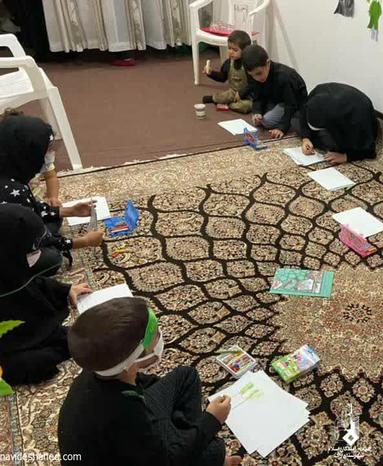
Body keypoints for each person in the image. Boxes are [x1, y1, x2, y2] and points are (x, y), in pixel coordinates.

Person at [58, 297, 241, 466]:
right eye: (154, 334)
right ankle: (195, 448)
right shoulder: (124, 413)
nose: (160, 335)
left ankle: (187, 441)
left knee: (186, 376)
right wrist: (212, 420)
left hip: (134, 432)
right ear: (133, 360)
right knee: (215, 451)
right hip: (133, 452)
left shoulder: (101, 367)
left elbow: (145, 383)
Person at [0, 114, 103, 275]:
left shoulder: (9, 173)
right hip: (7, 253)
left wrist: (70, 211)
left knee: (55, 215)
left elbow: (31, 210)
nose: (51, 154)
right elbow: (35, 241)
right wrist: (83, 242)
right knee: (52, 259)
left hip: (13, 228)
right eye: (45, 150)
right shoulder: (14, 192)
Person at [0, 204, 92, 385]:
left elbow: (29, 283)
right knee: (31, 363)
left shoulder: (8, 265)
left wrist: (66, 289)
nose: (37, 253)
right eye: (31, 250)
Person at [299, 83, 379, 165]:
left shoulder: (358, 115)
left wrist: (345, 157)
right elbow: (303, 114)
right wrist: (306, 138)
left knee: (332, 145)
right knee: (296, 123)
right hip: (335, 116)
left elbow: (369, 150)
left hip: (356, 118)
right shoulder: (316, 94)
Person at [239, 45, 307, 140]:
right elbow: (258, 96)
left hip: (294, 103)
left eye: (259, 73)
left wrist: (282, 128)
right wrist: (257, 112)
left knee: (267, 121)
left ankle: (294, 119)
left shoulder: (284, 76)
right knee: (260, 118)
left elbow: (291, 104)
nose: (257, 78)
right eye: (252, 75)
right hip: (275, 100)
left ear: (268, 63)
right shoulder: (255, 74)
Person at [201, 30, 253, 113]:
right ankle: (214, 99)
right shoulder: (228, 63)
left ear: (245, 50)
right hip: (233, 92)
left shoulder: (249, 64)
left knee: (245, 106)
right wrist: (211, 73)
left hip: (248, 95)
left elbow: (253, 84)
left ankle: (229, 104)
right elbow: (222, 77)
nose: (231, 52)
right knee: (224, 96)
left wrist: (241, 93)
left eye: (235, 50)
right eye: (229, 48)